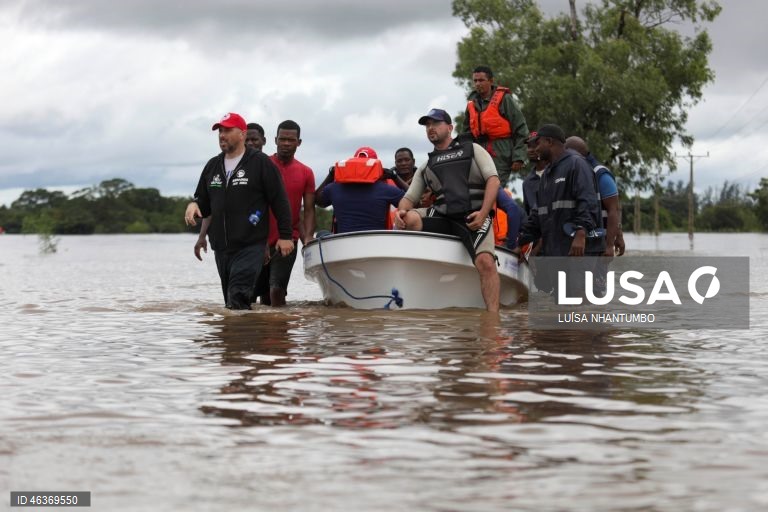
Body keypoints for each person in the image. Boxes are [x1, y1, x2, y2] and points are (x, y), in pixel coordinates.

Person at [395, 108, 501, 313]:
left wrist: (482, 213)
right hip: (442, 217)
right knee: (408, 218)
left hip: (473, 217)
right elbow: (408, 199)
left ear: (450, 127)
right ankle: (417, 290)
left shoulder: (474, 149)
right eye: (427, 125)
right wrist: (399, 212)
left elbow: (494, 181)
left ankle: (492, 321)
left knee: (486, 262)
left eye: (435, 123)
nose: (430, 128)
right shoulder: (427, 165)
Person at [184, 112, 293, 310]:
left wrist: (285, 236)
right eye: (220, 131)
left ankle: (240, 337)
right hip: (222, 248)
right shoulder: (213, 165)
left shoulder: (260, 163)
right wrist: (194, 205)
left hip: (250, 244)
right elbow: (204, 202)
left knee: (238, 296)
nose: (222, 135)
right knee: (231, 302)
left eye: (227, 130)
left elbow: (280, 201)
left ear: (242, 134)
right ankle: (242, 339)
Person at [254, 120, 316, 307]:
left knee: (277, 290)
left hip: (288, 239)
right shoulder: (262, 165)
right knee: (263, 294)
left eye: (291, 140)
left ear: (299, 142)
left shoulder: (306, 172)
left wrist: (308, 238)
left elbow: (310, 209)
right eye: (282, 139)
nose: (286, 143)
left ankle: (281, 332)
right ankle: (269, 332)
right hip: (259, 239)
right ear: (275, 140)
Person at [461, 65, 529, 187]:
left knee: (494, 190)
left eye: (481, 80)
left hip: (500, 155)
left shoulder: (505, 99)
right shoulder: (471, 103)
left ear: (491, 81)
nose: (477, 84)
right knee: (476, 192)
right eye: (475, 81)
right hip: (478, 154)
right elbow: (465, 133)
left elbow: (521, 129)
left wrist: (519, 157)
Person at [315, 147, 405, 233]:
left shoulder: (334, 188)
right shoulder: (386, 189)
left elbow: (318, 201)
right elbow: (413, 201)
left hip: (343, 242)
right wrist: (395, 176)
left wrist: (331, 175)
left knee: (322, 234)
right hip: (377, 242)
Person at [564, 136, 625, 257]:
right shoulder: (573, 172)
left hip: (598, 244)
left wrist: (610, 245)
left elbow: (614, 210)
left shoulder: (601, 175)